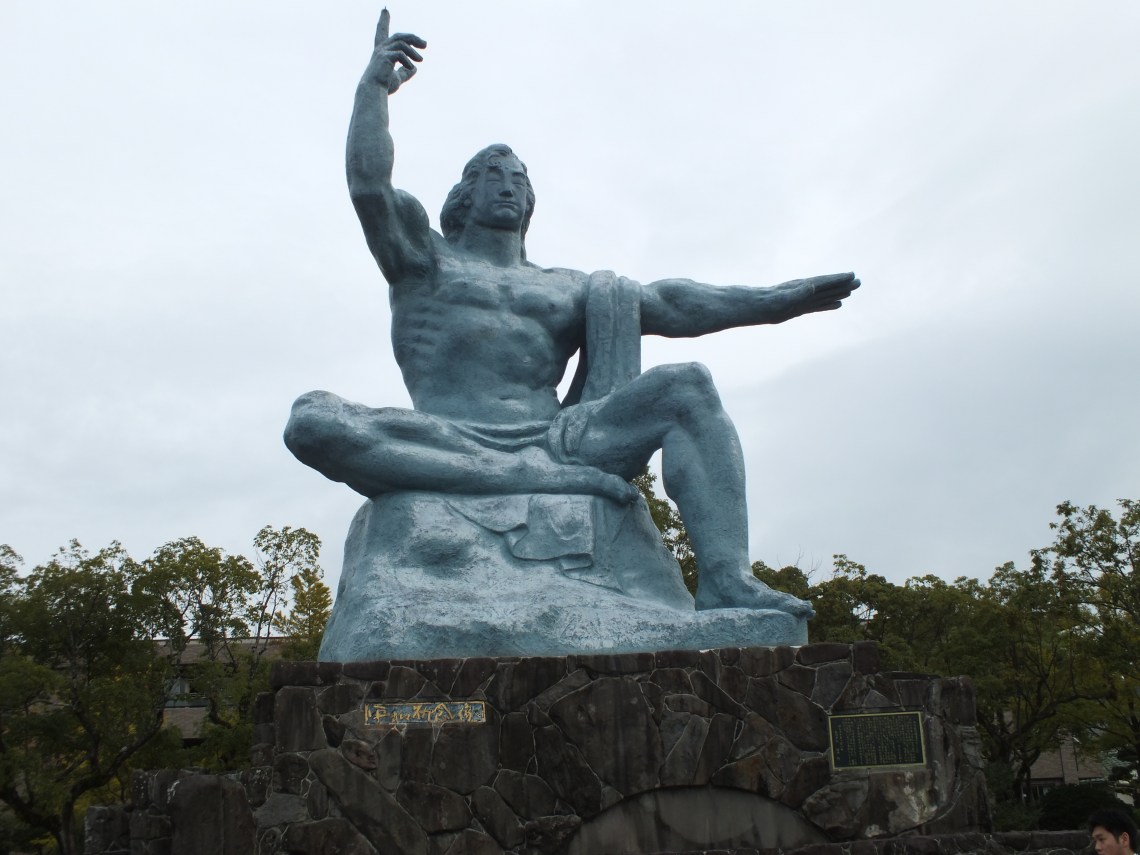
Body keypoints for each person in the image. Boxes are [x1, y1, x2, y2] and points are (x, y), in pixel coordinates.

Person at [285, 12, 860, 617]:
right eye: (491, 177)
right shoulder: (425, 260)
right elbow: (369, 188)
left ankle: (727, 579)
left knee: (687, 387)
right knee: (312, 420)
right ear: (463, 196)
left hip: (559, 440)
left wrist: (776, 303)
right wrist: (372, 91)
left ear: (531, 202)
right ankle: (520, 479)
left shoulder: (566, 288)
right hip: (449, 433)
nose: (508, 187)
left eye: (519, 180)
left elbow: (671, 302)